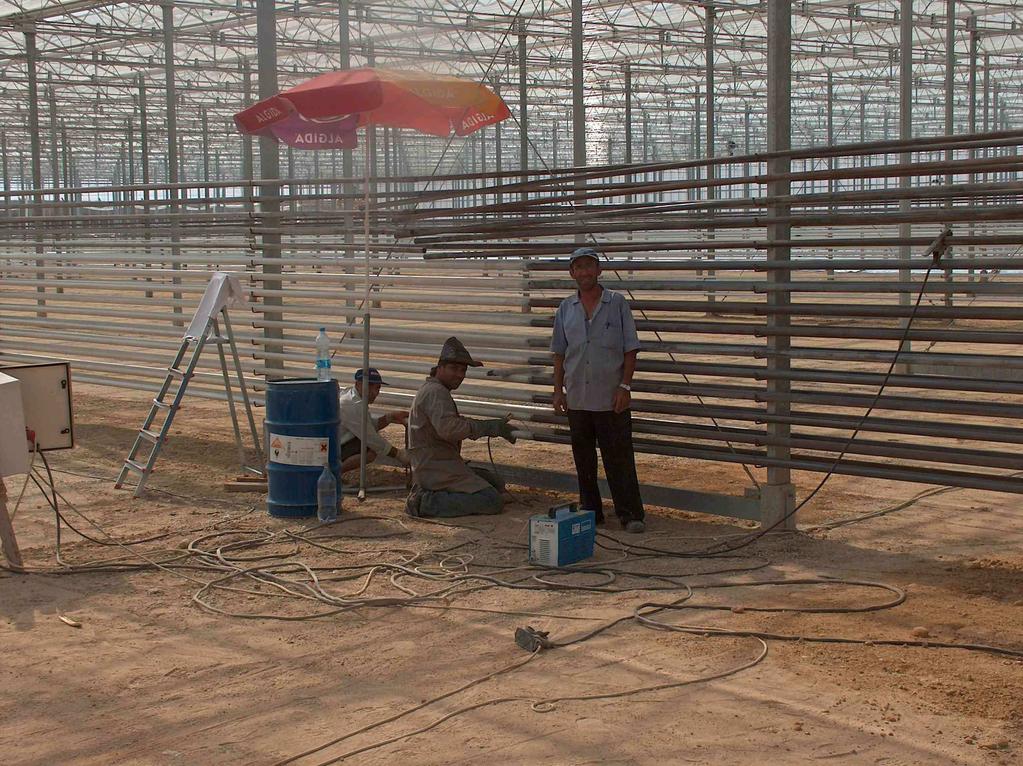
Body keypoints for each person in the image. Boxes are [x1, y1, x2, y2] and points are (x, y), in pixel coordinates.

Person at [550, 246, 646, 533]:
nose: (584, 272)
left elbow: (631, 348)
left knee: (619, 457)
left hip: (610, 397)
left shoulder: (616, 304)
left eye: (589, 266)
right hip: (577, 396)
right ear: (572, 273)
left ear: (599, 270)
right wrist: (558, 391)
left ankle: (630, 514)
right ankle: (592, 511)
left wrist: (625, 386)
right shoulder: (566, 308)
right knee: (584, 458)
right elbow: (558, 353)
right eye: (578, 267)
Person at [405, 337, 517, 518]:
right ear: (440, 367)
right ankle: (425, 502)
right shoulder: (436, 392)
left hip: (441, 463)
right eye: (454, 368)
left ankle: (435, 493)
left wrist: (490, 425)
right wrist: (488, 427)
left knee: (495, 482)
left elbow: (450, 423)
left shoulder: (436, 389)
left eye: (463, 370)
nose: (459, 374)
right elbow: (449, 429)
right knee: (492, 500)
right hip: (435, 467)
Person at [338, 368, 410, 475]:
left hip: (336, 444)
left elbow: (369, 426)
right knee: (370, 451)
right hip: (332, 448)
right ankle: (334, 474)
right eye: (372, 387)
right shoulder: (352, 405)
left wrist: (389, 417)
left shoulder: (354, 398)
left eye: (378, 388)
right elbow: (371, 439)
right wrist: (399, 455)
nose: (375, 393)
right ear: (359, 384)